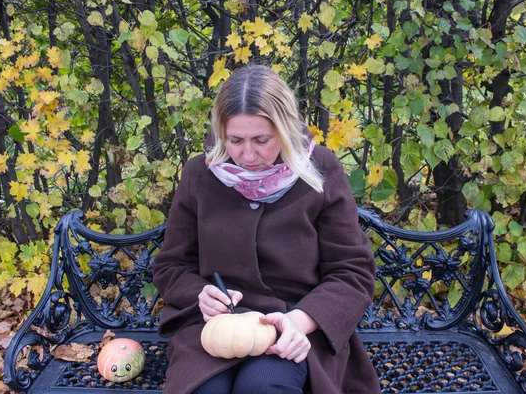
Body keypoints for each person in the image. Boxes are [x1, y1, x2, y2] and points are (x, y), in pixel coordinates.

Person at [152, 65, 380, 394]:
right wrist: (200, 295)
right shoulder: (199, 175)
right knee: (206, 389)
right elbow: (172, 266)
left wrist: (300, 322)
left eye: (261, 140)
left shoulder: (321, 170)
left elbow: (352, 272)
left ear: (285, 129)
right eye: (235, 140)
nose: (247, 155)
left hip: (297, 325)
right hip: (216, 325)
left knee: (261, 386)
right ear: (220, 132)